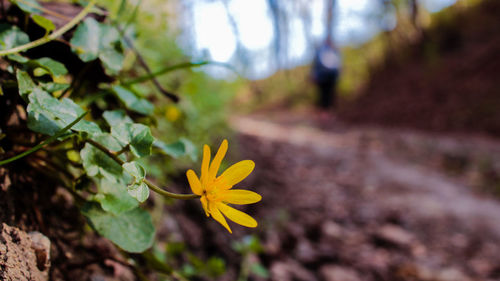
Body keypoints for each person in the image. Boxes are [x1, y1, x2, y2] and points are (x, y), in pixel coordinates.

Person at [311, 39, 341, 110]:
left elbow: (338, 64)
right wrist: (314, 75)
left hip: (331, 77)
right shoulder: (320, 51)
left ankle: (328, 113)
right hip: (322, 77)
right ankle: (324, 114)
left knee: (330, 95)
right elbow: (315, 65)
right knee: (323, 95)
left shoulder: (334, 51)